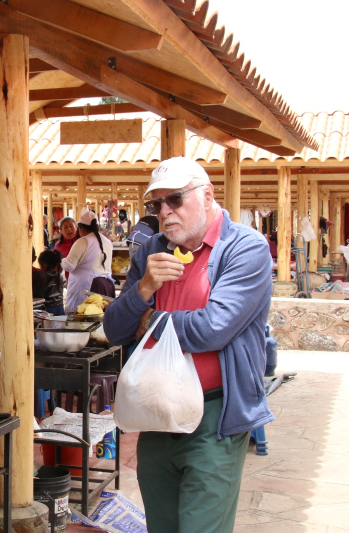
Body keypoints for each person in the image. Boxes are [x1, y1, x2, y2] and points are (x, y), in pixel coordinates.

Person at [103, 157, 274, 533]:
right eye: (156, 204)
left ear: (207, 195)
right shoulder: (151, 250)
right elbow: (114, 328)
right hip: (155, 414)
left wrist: (149, 321)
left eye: (175, 199)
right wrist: (144, 289)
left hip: (215, 417)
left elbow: (213, 328)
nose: (165, 212)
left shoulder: (244, 248)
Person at [62, 209, 113, 314]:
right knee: (104, 318)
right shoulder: (107, 242)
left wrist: (60, 260)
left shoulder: (83, 241)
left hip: (90, 287)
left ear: (81, 228)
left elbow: (69, 266)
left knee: (86, 318)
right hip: (107, 285)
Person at [33, 249, 65, 316]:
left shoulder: (42, 276)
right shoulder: (60, 276)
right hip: (59, 308)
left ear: (44, 264)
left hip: (47, 310)